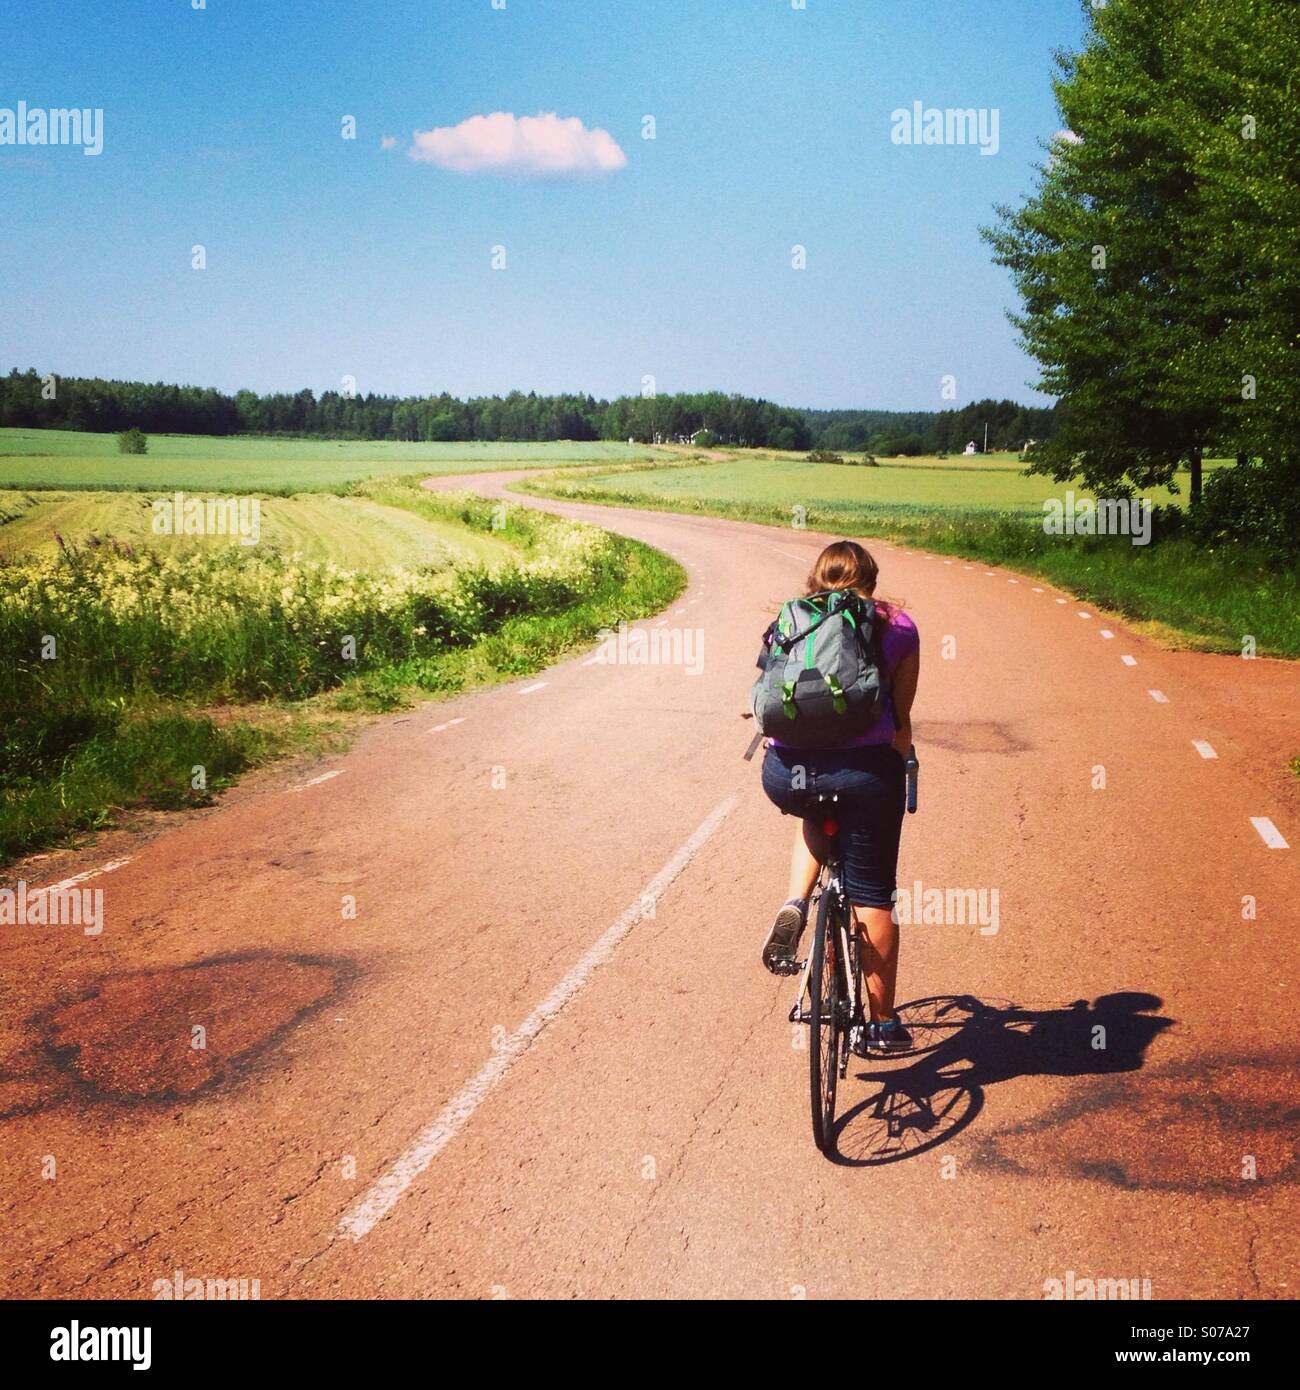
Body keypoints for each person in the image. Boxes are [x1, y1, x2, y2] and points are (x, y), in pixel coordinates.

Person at [758, 539, 919, 1053]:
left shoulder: (789, 618)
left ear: (814, 579)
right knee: (873, 894)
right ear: (870, 581)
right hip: (864, 776)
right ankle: (882, 1024)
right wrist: (902, 760)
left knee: (814, 805)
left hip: (789, 771)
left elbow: (765, 694)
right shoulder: (897, 625)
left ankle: (796, 902)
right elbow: (900, 714)